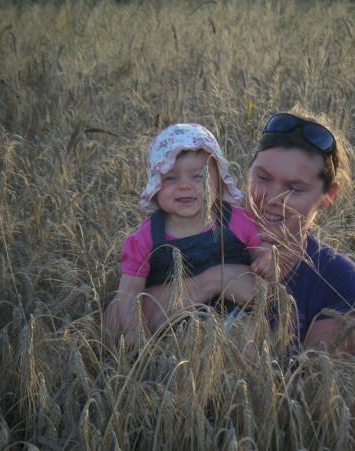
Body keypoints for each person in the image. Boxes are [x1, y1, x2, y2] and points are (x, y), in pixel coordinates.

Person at [103, 123, 271, 346]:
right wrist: (135, 330)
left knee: (248, 337)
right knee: (179, 344)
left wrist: (265, 258)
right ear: (155, 187)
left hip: (233, 315)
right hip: (174, 322)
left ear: (219, 184)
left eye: (198, 176)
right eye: (171, 178)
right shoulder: (145, 238)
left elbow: (263, 247)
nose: (184, 186)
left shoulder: (239, 222)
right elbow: (128, 293)